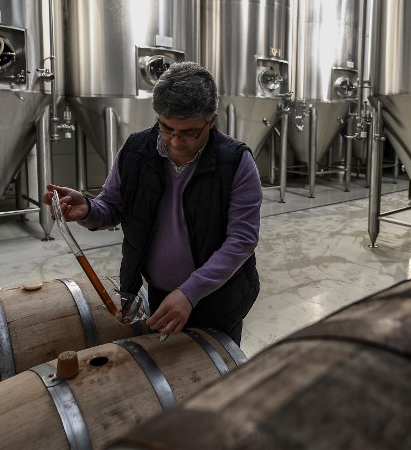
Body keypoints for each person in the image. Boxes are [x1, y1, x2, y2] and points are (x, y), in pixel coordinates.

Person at [43, 62, 262, 345]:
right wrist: (87, 209)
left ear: (212, 121)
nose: (175, 142)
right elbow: (112, 206)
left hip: (218, 296)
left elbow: (242, 240)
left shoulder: (235, 162)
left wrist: (190, 292)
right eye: (167, 128)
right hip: (158, 292)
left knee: (217, 372)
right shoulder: (136, 150)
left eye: (189, 132)